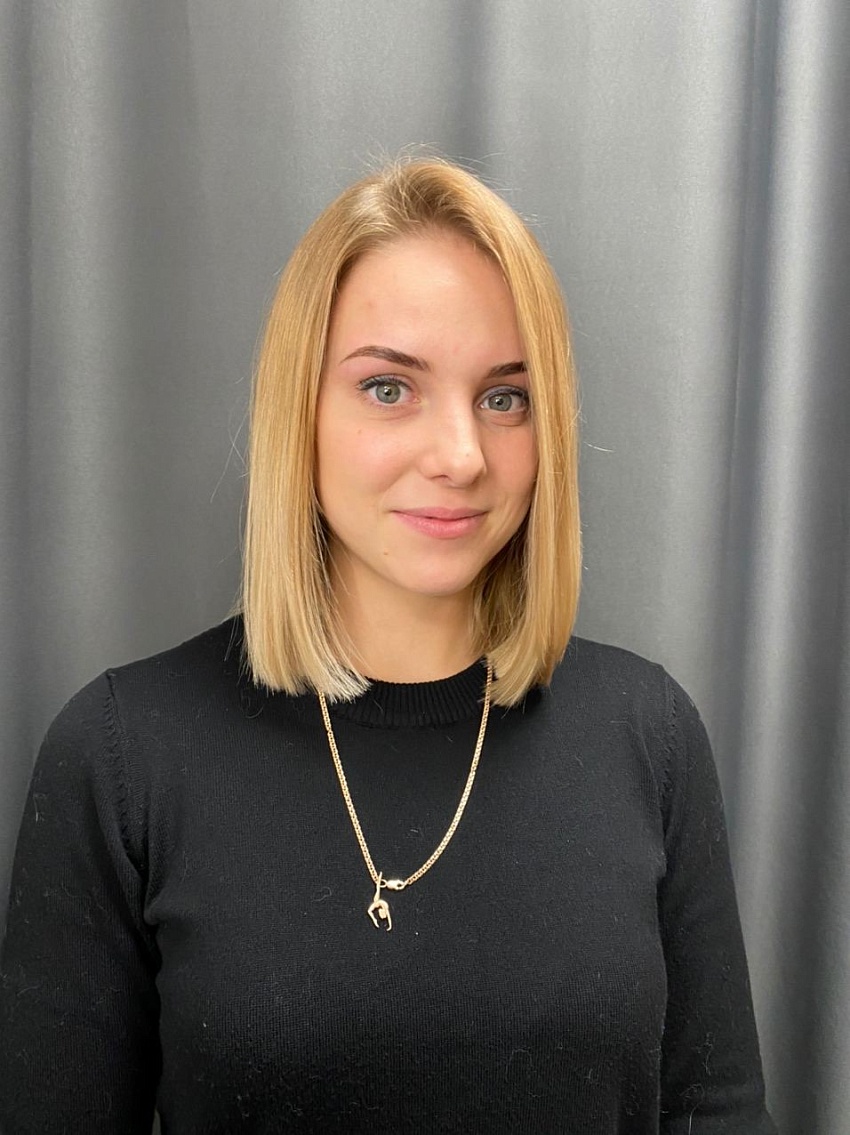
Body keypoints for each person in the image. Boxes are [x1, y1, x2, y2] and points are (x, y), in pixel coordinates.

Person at [0, 158, 777, 1134]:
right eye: (387, 387)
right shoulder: (124, 754)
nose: (460, 455)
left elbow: (717, 1112)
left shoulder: (647, 736)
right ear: (299, 411)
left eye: (505, 397)